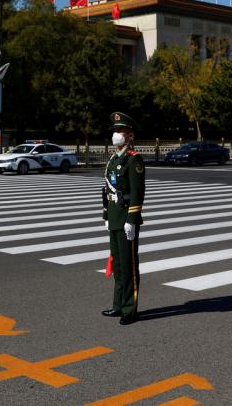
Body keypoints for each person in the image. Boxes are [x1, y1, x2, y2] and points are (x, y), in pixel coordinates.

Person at [101, 111, 145, 325]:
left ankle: (130, 308)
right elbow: (106, 190)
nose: (116, 134)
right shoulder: (113, 159)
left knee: (129, 266)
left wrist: (132, 219)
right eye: (115, 130)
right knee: (118, 264)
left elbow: (138, 192)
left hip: (127, 219)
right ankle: (118, 305)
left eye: (120, 130)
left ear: (130, 135)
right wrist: (106, 214)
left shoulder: (133, 159)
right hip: (115, 217)